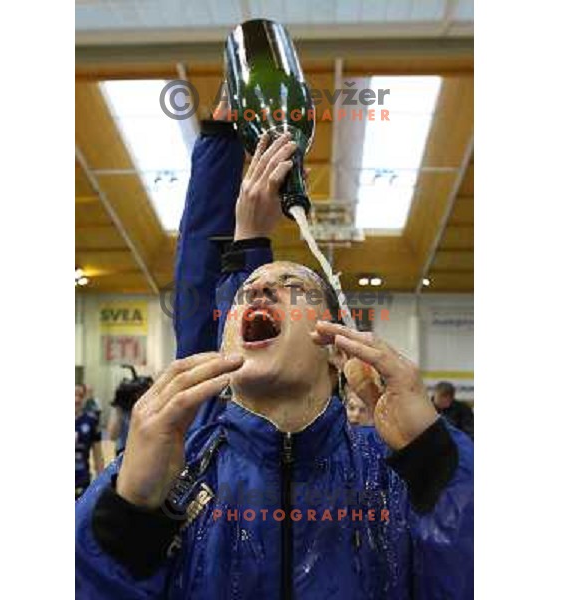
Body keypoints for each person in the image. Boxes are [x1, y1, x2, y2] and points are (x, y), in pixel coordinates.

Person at [75, 120, 474, 598]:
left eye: (295, 288)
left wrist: (435, 461)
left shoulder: (391, 478)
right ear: (227, 341)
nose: (259, 289)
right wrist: (127, 517)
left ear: (334, 345)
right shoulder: (177, 477)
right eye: (245, 291)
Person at [75, 384, 104, 500]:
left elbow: (98, 455)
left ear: (85, 398)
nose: (76, 399)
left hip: (82, 481)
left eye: (80, 396)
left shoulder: (91, 420)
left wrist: (101, 482)